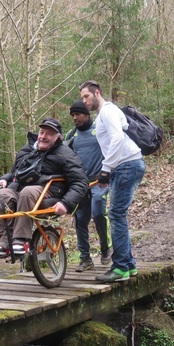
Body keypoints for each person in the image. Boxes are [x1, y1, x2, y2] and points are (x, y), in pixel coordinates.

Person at [0, 118, 88, 257]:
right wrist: (4, 179)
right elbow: (14, 171)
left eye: (49, 134)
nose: (43, 136)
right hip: (21, 188)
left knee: (28, 192)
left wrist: (66, 203)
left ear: (58, 137)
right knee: (3, 195)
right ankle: (5, 240)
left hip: (50, 191)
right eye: (42, 132)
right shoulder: (28, 150)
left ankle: (21, 240)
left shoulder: (65, 154)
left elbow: (80, 182)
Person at [80, 80, 146, 283]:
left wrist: (105, 169)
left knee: (116, 215)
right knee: (118, 214)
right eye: (82, 97)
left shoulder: (107, 111)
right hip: (125, 165)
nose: (84, 101)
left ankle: (120, 268)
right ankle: (129, 265)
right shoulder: (105, 114)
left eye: (86, 96)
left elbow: (117, 138)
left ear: (97, 93)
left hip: (127, 164)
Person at [66, 101, 111, 272]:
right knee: (80, 220)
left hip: (99, 180)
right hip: (80, 184)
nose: (75, 118)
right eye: (73, 115)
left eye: (78, 114)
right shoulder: (71, 135)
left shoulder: (98, 130)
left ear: (87, 114)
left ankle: (106, 248)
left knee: (99, 211)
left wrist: (108, 171)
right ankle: (85, 258)